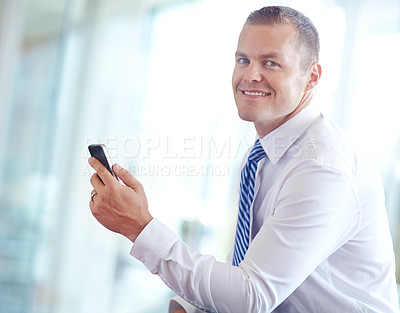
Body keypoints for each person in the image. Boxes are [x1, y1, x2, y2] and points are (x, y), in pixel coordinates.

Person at [88, 6, 399, 313]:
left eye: (271, 63)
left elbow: (252, 297)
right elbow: (252, 262)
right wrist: (189, 306)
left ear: (312, 76)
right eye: (243, 60)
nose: (251, 75)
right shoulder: (264, 155)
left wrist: (140, 227)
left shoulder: (321, 167)